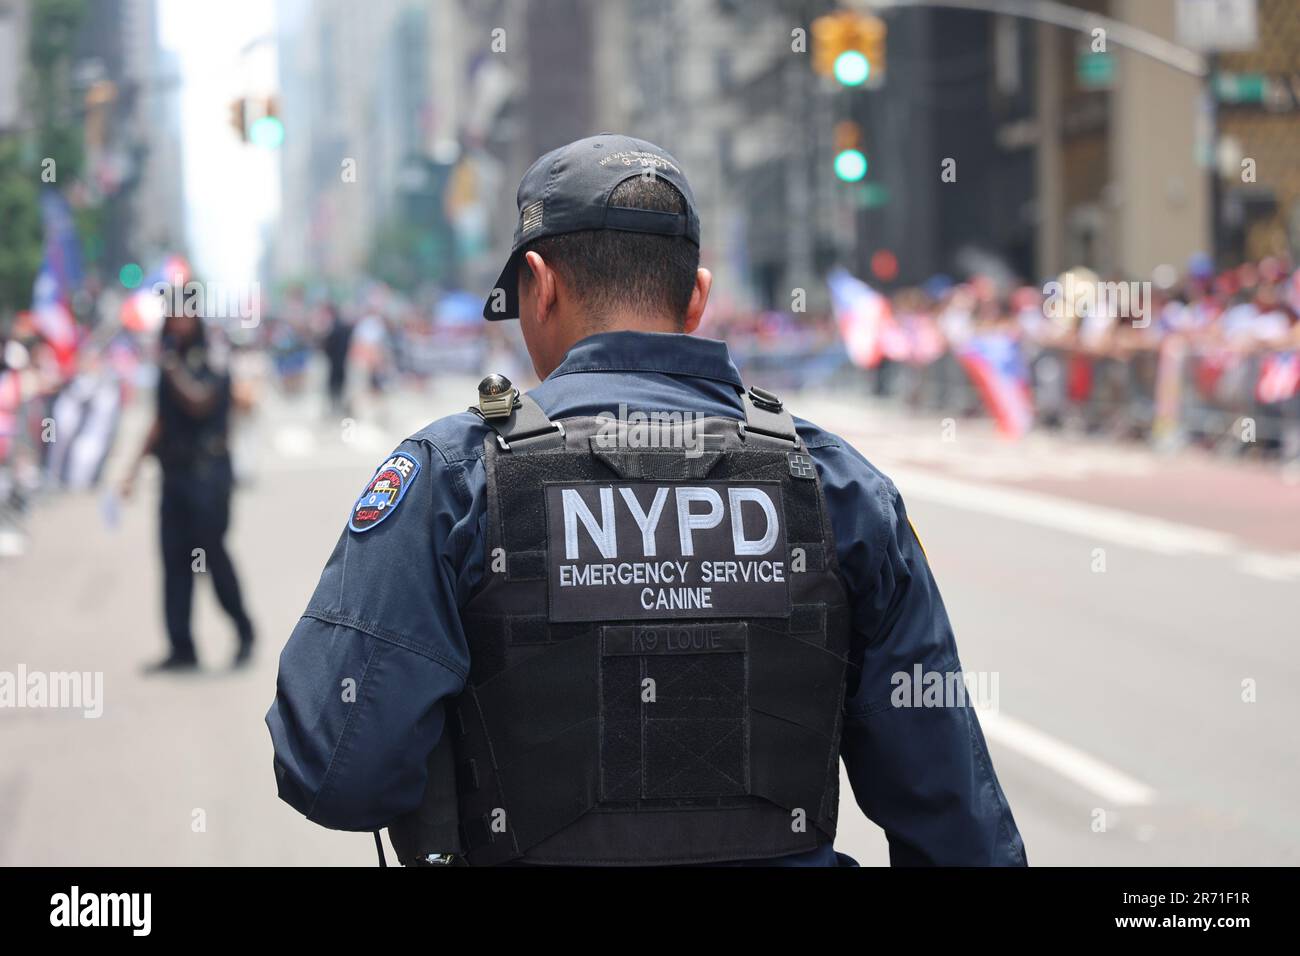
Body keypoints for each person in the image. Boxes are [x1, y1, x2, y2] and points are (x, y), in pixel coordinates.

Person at [267, 134, 1025, 866]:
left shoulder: (450, 478)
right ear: (696, 297)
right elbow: (958, 823)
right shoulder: (837, 485)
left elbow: (335, 769)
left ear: (542, 284)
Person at [123, 305, 255, 671]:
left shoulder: (209, 356)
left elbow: (202, 401)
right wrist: (132, 470)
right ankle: (182, 647)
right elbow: (161, 422)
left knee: (213, 557)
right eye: (173, 318)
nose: (178, 324)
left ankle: (244, 631)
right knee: (174, 561)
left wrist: (172, 370)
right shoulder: (168, 361)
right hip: (175, 476)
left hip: (208, 477)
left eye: (185, 317)